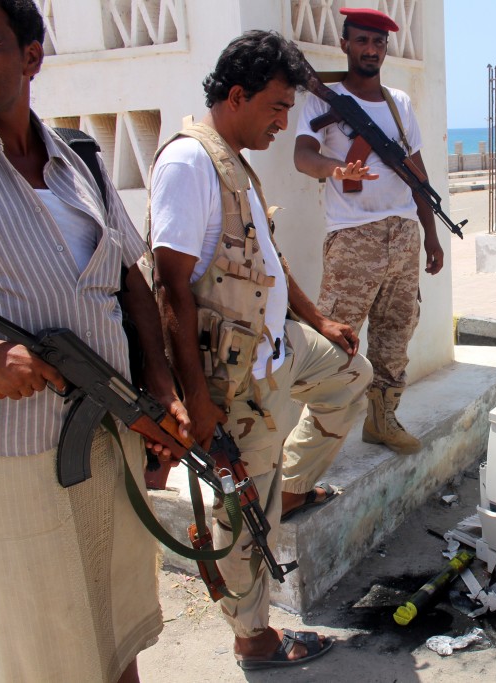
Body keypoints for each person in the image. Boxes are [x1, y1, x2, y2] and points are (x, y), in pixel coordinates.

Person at [0, 1, 192, 681]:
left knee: (114, 625)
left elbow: (131, 279)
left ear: (31, 57)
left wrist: (159, 394)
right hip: (13, 453)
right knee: (48, 648)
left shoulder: (80, 158)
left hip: (111, 434)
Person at [147, 30, 372, 670]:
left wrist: (319, 319)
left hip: (281, 349)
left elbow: (265, 261)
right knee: (247, 514)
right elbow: (171, 290)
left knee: (354, 374)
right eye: (276, 108)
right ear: (238, 95)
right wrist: (195, 400)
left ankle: (296, 486)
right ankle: (255, 640)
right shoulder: (190, 162)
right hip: (235, 379)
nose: (283, 123)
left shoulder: (232, 157)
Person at [293, 6, 444, 455]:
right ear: (345, 44)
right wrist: (337, 169)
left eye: (379, 43)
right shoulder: (324, 99)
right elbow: (303, 156)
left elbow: (418, 173)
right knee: (335, 338)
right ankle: (315, 438)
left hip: (403, 235)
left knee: (395, 334)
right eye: (362, 40)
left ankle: (383, 419)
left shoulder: (399, 104)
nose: (371, 49)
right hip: (353, 237)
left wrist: (431, 234)